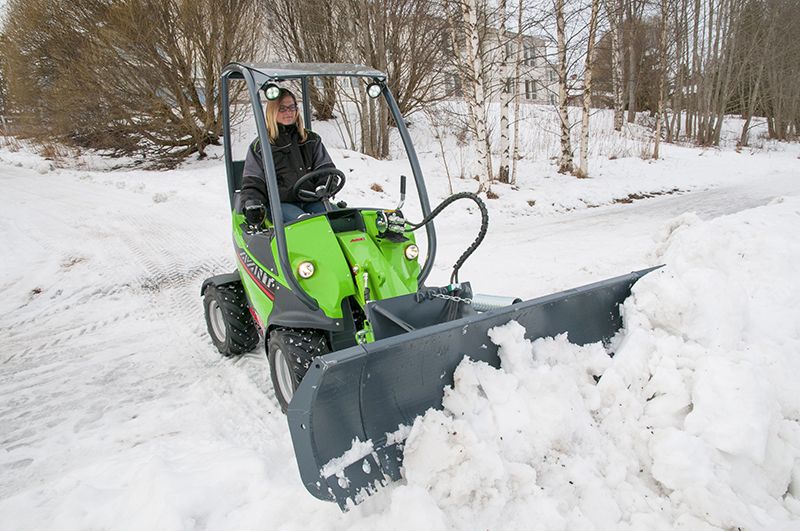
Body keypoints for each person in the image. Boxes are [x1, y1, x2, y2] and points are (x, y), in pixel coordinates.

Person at [240, 88, 338, 224]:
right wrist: (252, 202)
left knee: (339, 220)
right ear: (272, 112)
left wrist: (324, 188)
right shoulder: (261, 146)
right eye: (282, 109)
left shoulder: (311, 140)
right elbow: (253, 182)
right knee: (306, 224)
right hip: (281, 204)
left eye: (292, 107)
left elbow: (326, 170)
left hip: (312, 199)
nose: (289, 112)